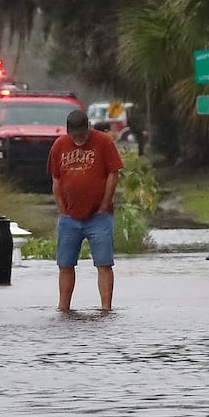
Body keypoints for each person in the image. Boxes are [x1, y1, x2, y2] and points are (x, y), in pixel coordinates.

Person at [48, 107, 124, 312]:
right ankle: (63, 308)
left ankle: (106, 308)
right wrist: (62, 209)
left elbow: (113, 173)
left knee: (104, 263)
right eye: (75, 136)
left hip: (100, 216)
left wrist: (104, 204)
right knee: (65, 264)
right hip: (69, 217)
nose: (79, 139)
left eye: (82, 135)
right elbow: (56, 178)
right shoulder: (59, 146)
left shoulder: (104, 142)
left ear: (88, 127)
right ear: (68, 132)